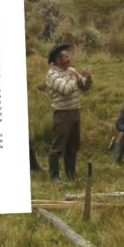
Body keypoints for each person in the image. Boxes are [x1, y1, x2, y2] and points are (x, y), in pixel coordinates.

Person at [45, 44, 92, 183]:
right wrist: (74, 79)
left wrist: (87, 78)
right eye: (66, 57)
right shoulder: (51, 74)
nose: (69, 59)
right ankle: (54, 176)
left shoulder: (71, 70)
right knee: (58, 147)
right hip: (62, 114)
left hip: (75, 112)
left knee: (73, 146)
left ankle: (71, 173)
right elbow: (65, 89)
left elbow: (83, 86)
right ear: (58, 59)